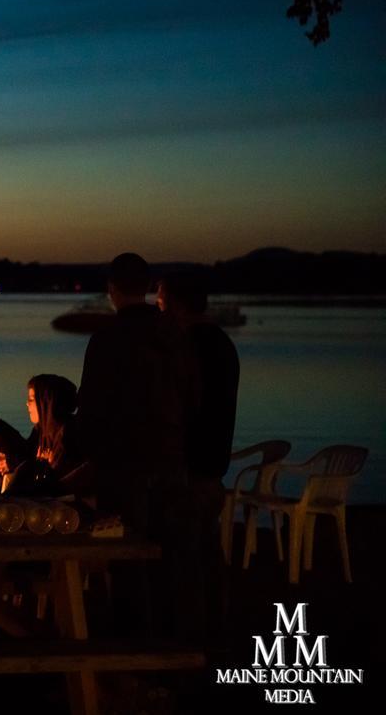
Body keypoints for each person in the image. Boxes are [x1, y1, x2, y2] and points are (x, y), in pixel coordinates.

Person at [78, 252, 200, 640]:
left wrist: (85, 452)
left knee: (127, 552)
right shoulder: (175, 334)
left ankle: (132, 638)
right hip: (171, 456)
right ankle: (171, 633)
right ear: (148, 288)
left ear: (111, 290)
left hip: (123, 461)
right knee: (170, 550)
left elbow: (92, 403)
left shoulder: (106, 338)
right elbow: (193, 396)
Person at [158, 270, 240, 642]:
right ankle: (214, 633)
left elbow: (179, 409)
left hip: (189, 469)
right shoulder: (222, 343)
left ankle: (189, 643)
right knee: (207, 557)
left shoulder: (188, 347)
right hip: (211, 465)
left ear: (174, 302)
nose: (158, 307)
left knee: (186, 561)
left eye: (160, 300)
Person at [8, 374, 92, 497]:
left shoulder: (68, 433)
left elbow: (60, 483)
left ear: (46, 402)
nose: (27, 404)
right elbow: (25, 457)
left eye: (31, 399)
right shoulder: (40, 432)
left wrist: (44, 467)